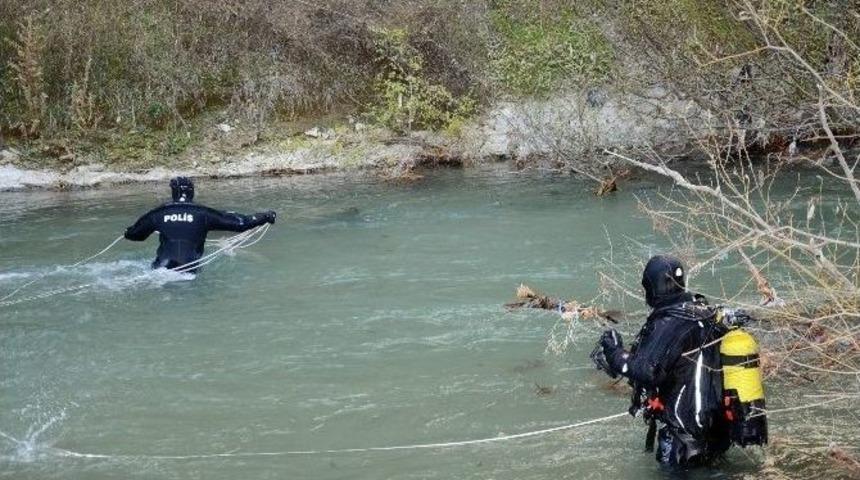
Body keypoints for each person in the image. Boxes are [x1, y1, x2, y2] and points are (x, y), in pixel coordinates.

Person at [596, 255, 731, 467]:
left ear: (653, 286)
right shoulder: (704, 313)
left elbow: (648, 372)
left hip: (684, 436)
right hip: (717, 429)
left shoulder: (671, 322)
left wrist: (615, 353)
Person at [124, 177, 276, 273]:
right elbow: (242, 223)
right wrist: (265, 216)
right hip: (189, 273)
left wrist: (128, 232)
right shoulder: (203, 214)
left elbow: (135, 236)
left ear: (173, 193)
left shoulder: (158, 213)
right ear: (192, 193)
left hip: (159, 271)